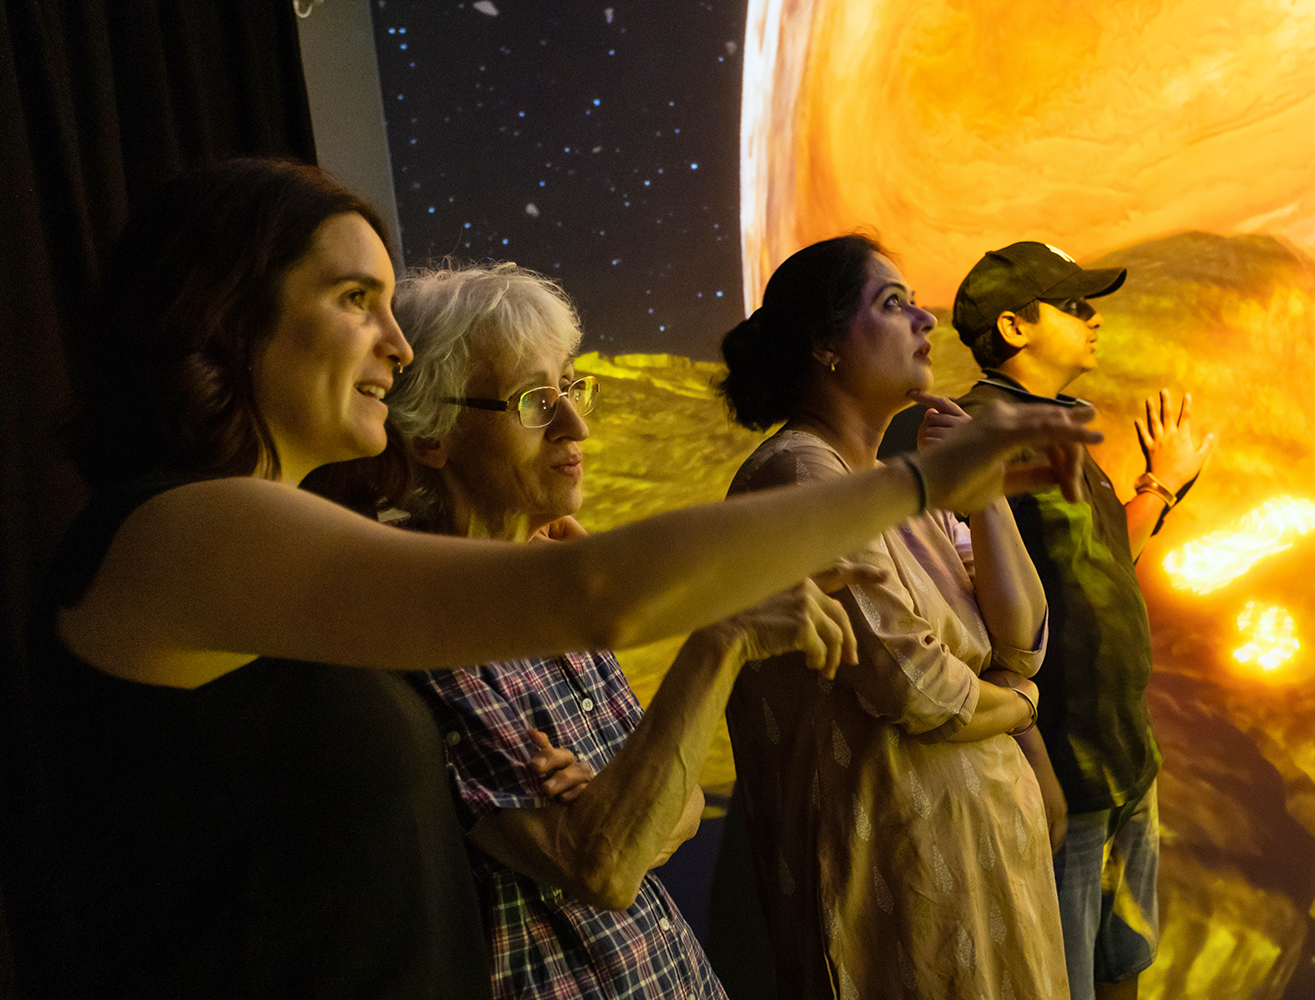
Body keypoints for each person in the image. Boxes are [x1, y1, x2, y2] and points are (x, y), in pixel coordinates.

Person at [26, 160, 1103, 999]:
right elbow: (596, 604)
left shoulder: (274, 545)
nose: (395, 345)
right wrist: (919, 482)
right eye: (355, 298)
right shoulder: (184, 531)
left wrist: (634, 780)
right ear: (227, 314)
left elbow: (652, 811)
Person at [387, 263, 884, 1000]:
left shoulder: (558, 578)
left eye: (571, 389)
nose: (576, 427)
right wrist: (721, 638)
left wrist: (626, 801)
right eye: (534, 401)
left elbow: (677, 807)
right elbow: (606, 866)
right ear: (432, 434)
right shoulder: (427, 618)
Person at [715, 234, 1081, 1000]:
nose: (925, 319)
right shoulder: (800, 473)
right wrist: (1021, 706)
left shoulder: (897, 486)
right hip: (900, 889)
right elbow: (915, 686)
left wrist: (982, 493)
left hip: (980, 865)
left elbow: (1023, 639)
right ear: (825, 348)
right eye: (892, 304)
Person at [897, 241, 1214, 999]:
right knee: (1064, 979)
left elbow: (1097, 563)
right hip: (1060, 774)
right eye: (1073, 305)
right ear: (1015, 326)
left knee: (1121, 963)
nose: (1093, 318)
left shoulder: (1054, 427)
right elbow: (967, 621)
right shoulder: (974, 437)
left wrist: (1160, 487)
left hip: (1122, 758)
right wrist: (1035, 762)